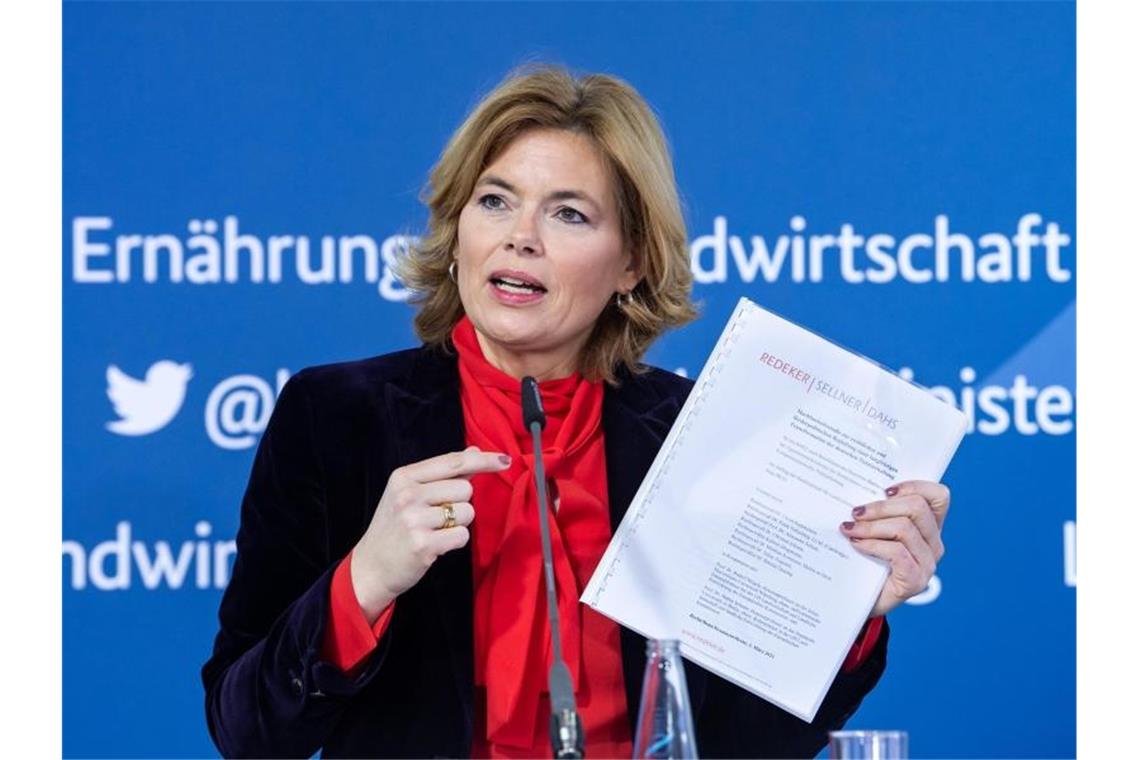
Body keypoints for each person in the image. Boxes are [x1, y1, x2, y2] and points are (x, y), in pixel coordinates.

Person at [202, 65, 952, 759]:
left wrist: (847, 612)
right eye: (494, 200)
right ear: (458, 234)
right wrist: (365, 578)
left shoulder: (697, 435)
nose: (519, 236)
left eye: (568, 214)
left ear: (630, 264)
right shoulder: (336, 417)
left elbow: (749, 745)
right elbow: (245, 730)